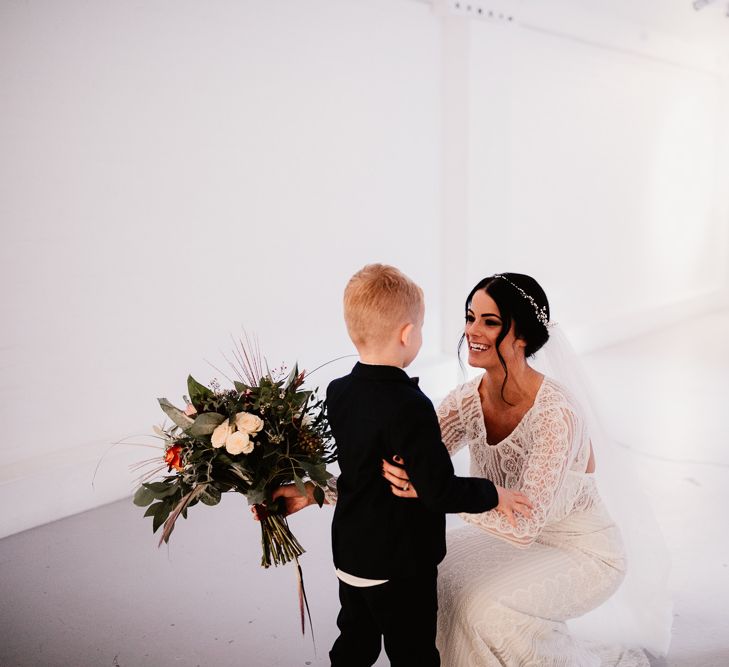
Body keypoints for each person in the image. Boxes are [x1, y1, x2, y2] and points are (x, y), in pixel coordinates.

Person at [380, 272, 666, 666]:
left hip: (582, 550)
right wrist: (315, 492)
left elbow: (524, 526)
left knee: (481, 609)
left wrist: (437, 492)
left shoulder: (555, 415)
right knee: (427, 571)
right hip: (509, 536)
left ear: (523, 337)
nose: (472, 330)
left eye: (490, 321)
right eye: (470, 317)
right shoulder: (467, 401)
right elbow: (404, 465)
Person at [261, 264, 533, 667]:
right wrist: (495, 494)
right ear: (407, 334)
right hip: (402, 564)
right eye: (420, 329)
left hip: (351, 556)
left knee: (355, 644)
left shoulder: (339, 393)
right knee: (414, 652)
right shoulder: (410, 406)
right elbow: (439, 490)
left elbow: (360, 474)